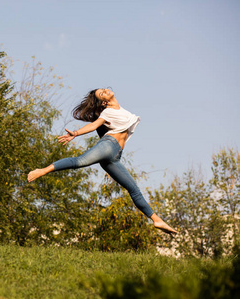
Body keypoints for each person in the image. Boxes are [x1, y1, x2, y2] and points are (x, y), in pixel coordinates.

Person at [28, 88, 177, 234]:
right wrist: (75, 133)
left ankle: (156, 220)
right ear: (103, 103)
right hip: (108, 145)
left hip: (115, 156)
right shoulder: (107, 112)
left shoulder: (121, 110)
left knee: (134, 189)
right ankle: (43, 170)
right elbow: (94, 125)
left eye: (104, 89)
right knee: (79, 162)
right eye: (101, 94)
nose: (106, 90)